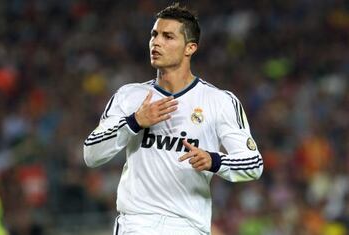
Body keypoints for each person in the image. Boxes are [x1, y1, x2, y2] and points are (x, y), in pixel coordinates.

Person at [83, 3, 263, 235]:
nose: (156, 42)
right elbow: (91, 154)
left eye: (168, 36)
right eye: (154, 35)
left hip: (188, 226)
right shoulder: (129, 96)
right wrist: (134, 122)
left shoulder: (219, 101)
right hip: (137, 224)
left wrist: (214, 161)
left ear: (190, 48)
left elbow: (253, 164)